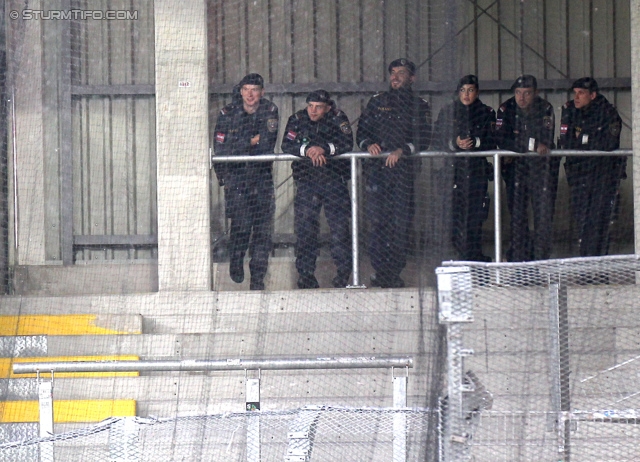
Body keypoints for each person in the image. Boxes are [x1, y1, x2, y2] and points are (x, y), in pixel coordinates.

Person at [356, 58, 432, 288]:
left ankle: (394, 272)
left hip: (403, 175)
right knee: (378, 223)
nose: (396, 77)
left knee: (400, 224)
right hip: (377, 174)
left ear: (412, 78)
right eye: (393, 73)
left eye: (401, 73)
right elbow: (361, 132)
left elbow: (425, 138)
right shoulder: (376, 102)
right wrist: (368, 144)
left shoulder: (419, 105)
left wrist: (403, 150)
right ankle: (380, 272)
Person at [281, 90, 354, 289]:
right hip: (307, 181)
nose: (313, 111)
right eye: (310, 106)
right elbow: (286, 144)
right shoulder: (297, 119)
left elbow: (347, 142)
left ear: (328, 108)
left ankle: (343, 274)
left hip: (334, 180)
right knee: (305, 231)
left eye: (318, 107)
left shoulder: (338, 118)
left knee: (339, 230)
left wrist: (325, 149)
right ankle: (305, 275)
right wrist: (308, 151)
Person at [213, 73, 279, 290]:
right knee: (241, 226)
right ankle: (236, 260)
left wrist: (241, 144)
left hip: (261, 178)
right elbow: (222, 149)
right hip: (237, 178)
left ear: (262, 92)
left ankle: (258, 278)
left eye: (255, 90)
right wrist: (250, 141)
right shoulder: (227, 113)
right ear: (240, 91)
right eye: (246, 90)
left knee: (262, 231)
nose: (250, 95)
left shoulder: (269, 110)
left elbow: (266, 145)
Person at [558, 77, 624, 257]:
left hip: (602, 176)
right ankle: (585, 266)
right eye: (575, 93)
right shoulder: (570, 110)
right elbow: (566, 142)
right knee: (582, 223)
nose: (576, 97)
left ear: (593, 95)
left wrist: (583, 142)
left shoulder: (607, 112)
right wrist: (587, 141)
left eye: (581, 93)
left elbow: (609, 143)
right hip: (579, 176)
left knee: (599, 223)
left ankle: (598, 269)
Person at [496, 75, 558, 262]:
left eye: (527, 93)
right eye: (518, 93)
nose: (521, 98)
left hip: (540, 172)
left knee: (542, 218)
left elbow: (546, 139)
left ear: (535, 93)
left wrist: (518, 145)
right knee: (517, 218)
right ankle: (518, 260)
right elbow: (500, 138)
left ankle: (541, 259)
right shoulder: (506, 109)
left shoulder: (545, 108)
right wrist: (530, 145)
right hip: (514, 171)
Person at [435, 74, 495, 262]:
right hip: (453, 173)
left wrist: (475, 142)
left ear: (476, 92)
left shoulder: (486, 112)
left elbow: (494, 139)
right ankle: (461, 256)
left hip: (477, 173)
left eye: (470, 90)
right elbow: (436, 139)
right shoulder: (448, 111)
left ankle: (474, 257)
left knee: (475, 219)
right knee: (454, 218)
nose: (466, 94)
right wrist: (455, 143)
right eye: (462, 90)